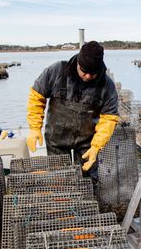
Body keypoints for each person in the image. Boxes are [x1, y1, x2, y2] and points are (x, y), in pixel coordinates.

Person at [26, 41, 119, 174]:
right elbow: (36, 97)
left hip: (87, 143)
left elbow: (109, 118)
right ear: (78, 63)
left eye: (93, 74)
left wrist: (96, 146)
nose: (88, 76)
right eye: (85, 71)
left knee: (88, 178)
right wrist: (35, 128)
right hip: (56, 139)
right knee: (59, 177)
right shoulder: (56, 71)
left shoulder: (107, 85)